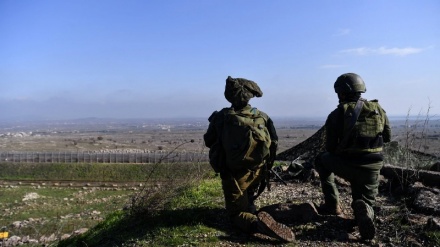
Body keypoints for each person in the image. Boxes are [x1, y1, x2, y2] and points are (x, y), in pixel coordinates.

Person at [203, 76, 294, 242]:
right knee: (248, 198)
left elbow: (209, 141)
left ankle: (257, 225)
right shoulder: (262, 116)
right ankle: (255, 207)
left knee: (236, 214)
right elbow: (273, 143)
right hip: (259, 171)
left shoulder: (222, 117)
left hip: (235, 175)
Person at [315, 73, 391, 240]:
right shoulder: (379, 110)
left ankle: (332, 205)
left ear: (340, 93)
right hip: (372, 168)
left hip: (347, 165)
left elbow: (330, 148)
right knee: (366, 199)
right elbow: (387, 137)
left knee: (321, 160)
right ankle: (366, 211)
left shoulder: (336, 115)